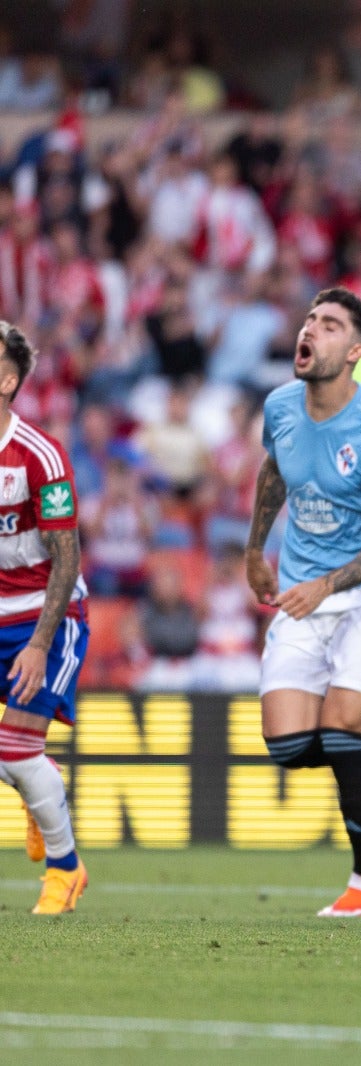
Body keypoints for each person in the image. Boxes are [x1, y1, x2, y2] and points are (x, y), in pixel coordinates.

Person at [244, 288, 361, 918]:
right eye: (309, 320)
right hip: (302, 590)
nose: (310, 330)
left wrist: (326, 585)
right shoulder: (280, 407)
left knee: (341, 728)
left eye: (328, 325)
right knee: (289, 747)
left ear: (354, 352)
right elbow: (275, 471)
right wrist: (254, 550)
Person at [0, 322, 91, 915]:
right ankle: (38, 785)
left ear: (7, 382)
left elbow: (67, 556)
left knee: (13, 749)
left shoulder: (40, 454)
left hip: (46, 616)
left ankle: (65, 868)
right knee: (21, 758)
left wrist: (38, 644)